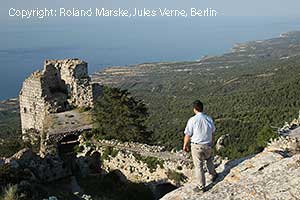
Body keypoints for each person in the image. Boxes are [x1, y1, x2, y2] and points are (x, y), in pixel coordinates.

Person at [183, 100, 218, 192]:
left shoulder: (192, 120)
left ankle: (201, 186)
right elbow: (213, 132)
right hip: (208, 144)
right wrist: (212, 142)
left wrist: (185, 145)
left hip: (196, 146)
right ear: (202, 108)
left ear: (194, 109)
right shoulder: (209, 119)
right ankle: (213, 175)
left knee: (199, 167)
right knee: (209, 160)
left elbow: (187, 134)